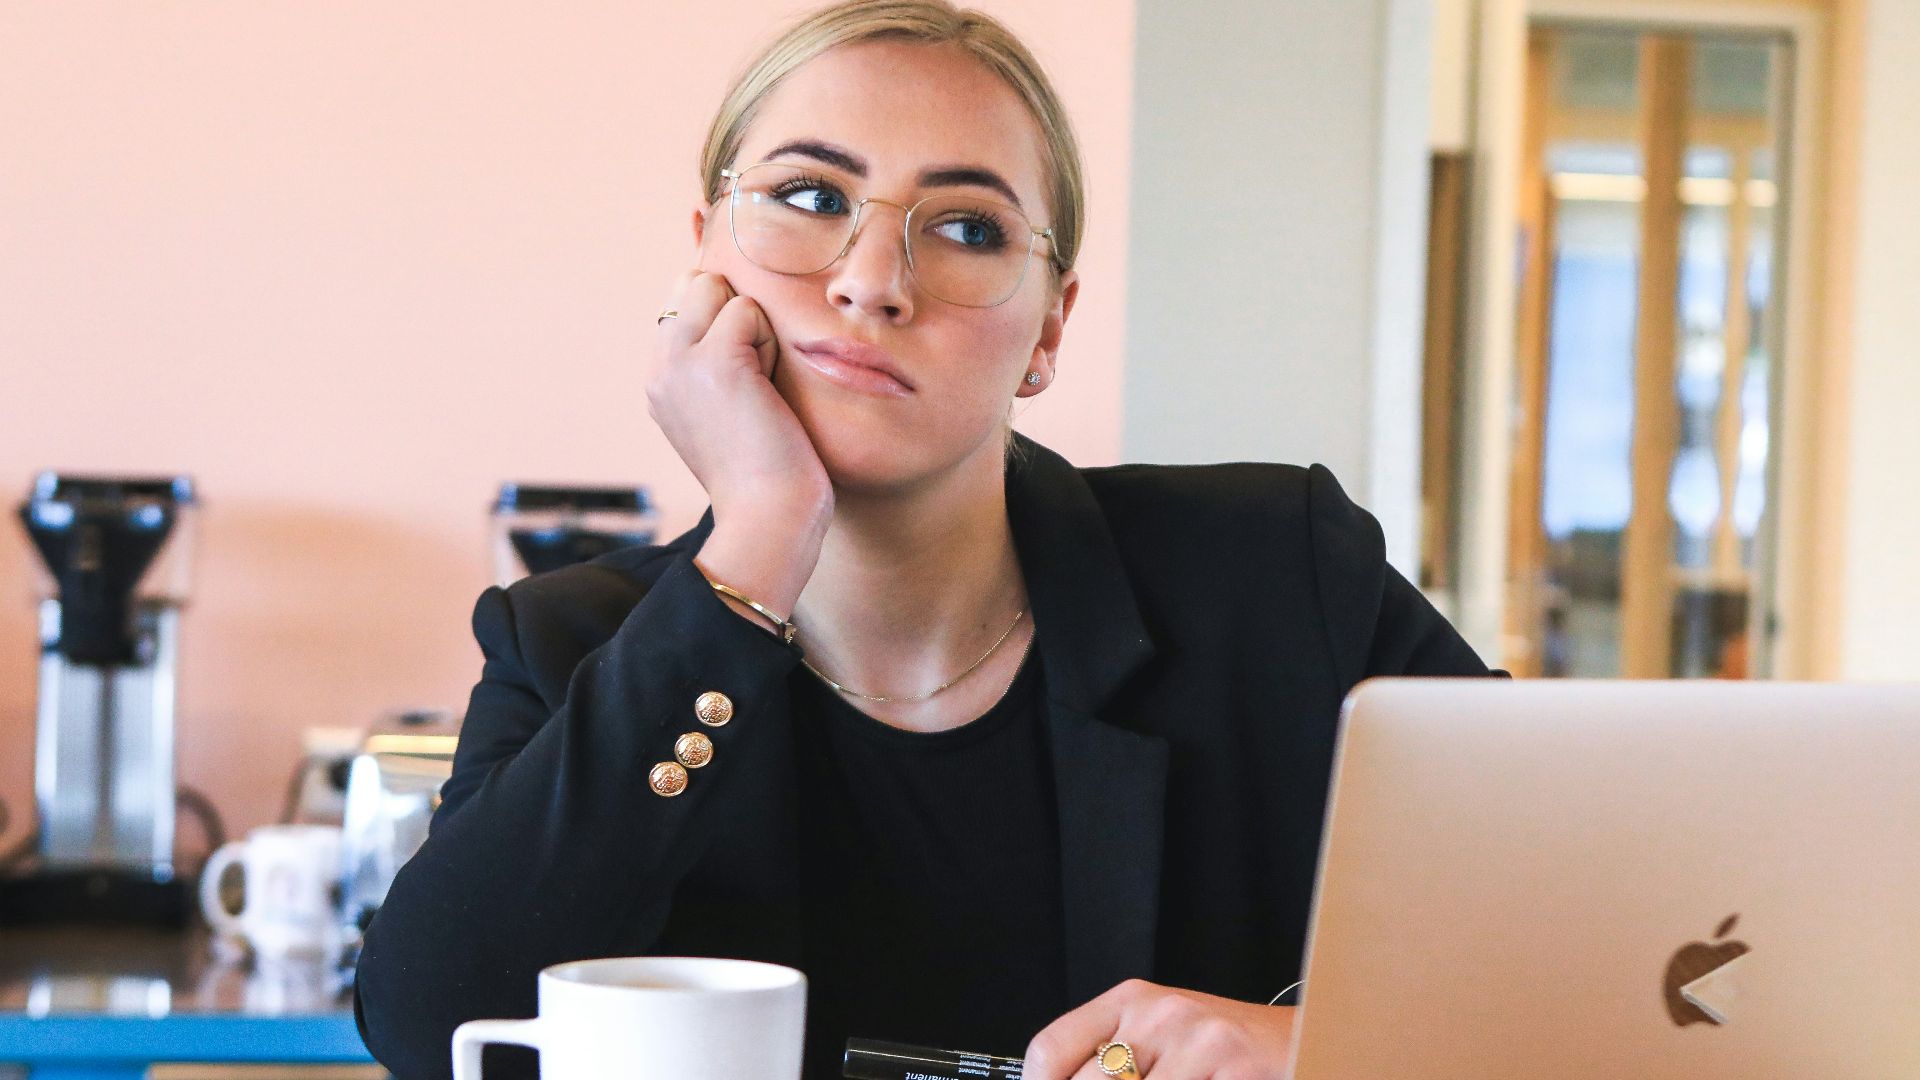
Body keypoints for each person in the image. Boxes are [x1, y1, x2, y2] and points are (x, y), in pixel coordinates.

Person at [353, 2, 1500, 1077]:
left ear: (1049, 327)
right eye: (810, 197)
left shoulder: (1276, 577)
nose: (870, 281)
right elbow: (434, 1028)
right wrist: (757, 540)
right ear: (705, 260)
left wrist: (1326, 1050)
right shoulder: (570, 643)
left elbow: (1620, 952)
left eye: (964, 226)